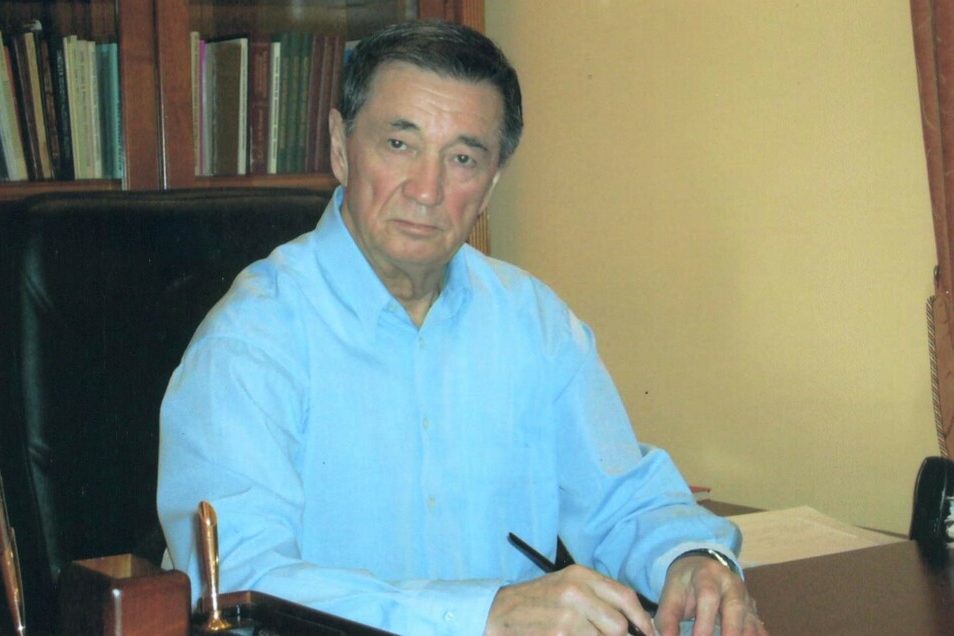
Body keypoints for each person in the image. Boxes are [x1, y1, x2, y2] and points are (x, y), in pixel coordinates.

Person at [158, 19, 766, 636]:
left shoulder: (533, 322)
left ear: (491, 183)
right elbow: (238, 586)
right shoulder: (251, 339)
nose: (427, 190)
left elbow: (621, 498)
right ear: (341, 147)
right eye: (400, 144)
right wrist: (484, 614)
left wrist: (694, 559)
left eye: (463, 158)